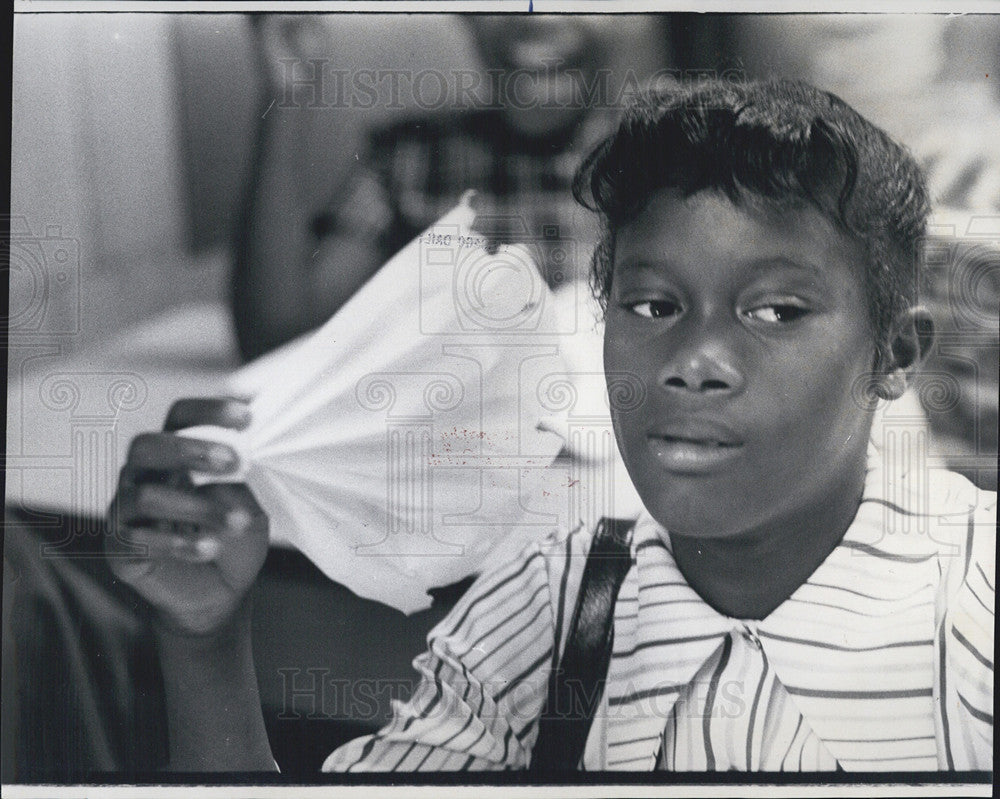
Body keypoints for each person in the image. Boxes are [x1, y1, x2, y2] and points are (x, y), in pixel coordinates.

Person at [107, 79, 994, 772]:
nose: (695, 358)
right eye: (651, 304)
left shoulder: (973, 594)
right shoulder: (557, 598)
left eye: (775, 311)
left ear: (896, 354)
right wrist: (203, 640)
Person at [231, 15, 662, 360]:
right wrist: (286, 95)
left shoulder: (669, 159)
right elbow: (276, 334)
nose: (539, 17)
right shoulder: (412, 161)